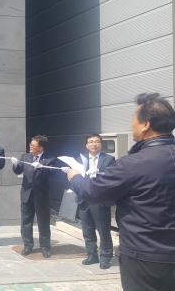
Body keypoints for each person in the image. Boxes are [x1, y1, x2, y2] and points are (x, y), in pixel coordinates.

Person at [67, 93, 175, 290]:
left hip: (144, 258)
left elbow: (93, 191)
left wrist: (75, 177)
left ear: (146, 124)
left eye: (133, 119)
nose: (131, 125)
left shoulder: (133, 164)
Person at [11, 135, 58, 258]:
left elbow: (53, 174)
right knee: (26, 221)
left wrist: (42, 168)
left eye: (33, 145)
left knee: (43, 222)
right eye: (30, 144)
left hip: (41, 195)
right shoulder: (25, 157)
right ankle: (28, 245)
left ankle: (45, 247)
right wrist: (15, 164)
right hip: (26, 194)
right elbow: (18, 171)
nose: (30, 147)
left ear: (41, 148)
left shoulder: (50, 159)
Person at [75, 134, 115, 269]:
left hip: (100, 199)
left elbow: (112, 177)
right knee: (87, 230)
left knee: (103, 230)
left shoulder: (109, 159)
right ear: (86, 145)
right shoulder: (80, 160)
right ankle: (92, 255)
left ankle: (105, 257)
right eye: (91, 142)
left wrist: (98, 172)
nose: (94, 144)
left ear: (101, 145)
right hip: (84, 199)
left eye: (97, 142)